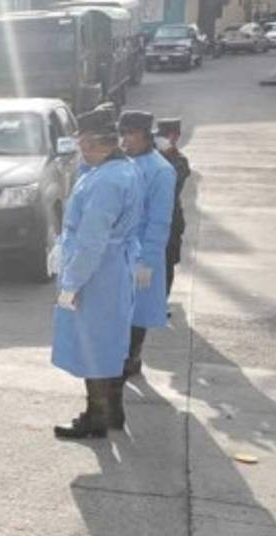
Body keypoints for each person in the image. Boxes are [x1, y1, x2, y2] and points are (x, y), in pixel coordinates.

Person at [50, 108, 142, 440]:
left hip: (98, 272)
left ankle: (96, 418)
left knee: (95, 345)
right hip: (111, 267)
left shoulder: (107, 180)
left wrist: (72, 282)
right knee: (108, 342)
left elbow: (92, 240)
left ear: (90, 141)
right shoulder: (115, 169)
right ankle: (112, 412)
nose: (79, 149)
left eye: (81, 142)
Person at [119, 111, 177, 390]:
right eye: (123, 134)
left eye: (131, 134)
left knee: (137, 311)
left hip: (141, 251)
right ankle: (119, 355)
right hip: (118, 249)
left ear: (145, 136)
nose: (125, 140)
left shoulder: (161, 171)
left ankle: (132, 357)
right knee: (118, 309)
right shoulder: (123, 163)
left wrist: (147, 261)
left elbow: (159, 222)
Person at [155, 118, 190, 298]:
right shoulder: (150, 155)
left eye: (169, 136)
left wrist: (165, 154)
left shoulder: (179, 160)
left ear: (175, 137)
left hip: (170, 221)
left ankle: (162, 300)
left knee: (167, 263)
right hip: (151, 222)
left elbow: (172, 183)